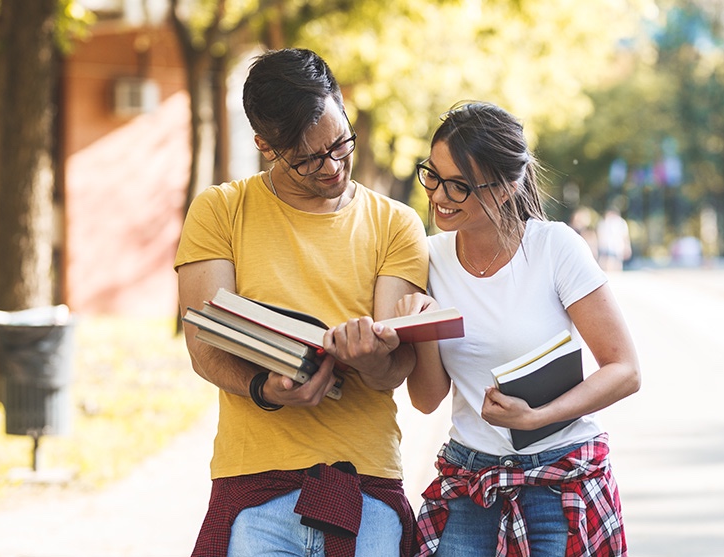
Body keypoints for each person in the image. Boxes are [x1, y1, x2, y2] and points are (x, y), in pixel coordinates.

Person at [175, 48, 428, 557]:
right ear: (265, 146)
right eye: (310, 159)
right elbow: (204, 344)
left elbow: (394, 372)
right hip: (255, 488)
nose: (333, 166)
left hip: (364, 482)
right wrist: (263, 388)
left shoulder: (396, 223)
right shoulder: (220, 210)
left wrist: (370, 357)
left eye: (339, 143)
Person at [396, 102, 641, 556]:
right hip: (470, 483)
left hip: (557, 483)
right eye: (432, 175)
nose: (439, 196)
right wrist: (423, 328)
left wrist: (537, 417)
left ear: (507, 187)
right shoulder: (428, 258)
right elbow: (426, 399)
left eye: (460, 186)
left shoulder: (554, 248)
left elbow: (625, 369)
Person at [596, 207, 632, 271]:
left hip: (617, 246)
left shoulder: (621, 223)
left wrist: (626, 247)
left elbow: (625, 236)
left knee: (616, 263)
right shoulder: (603, 223)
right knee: (605, 262)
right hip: (605, 246)